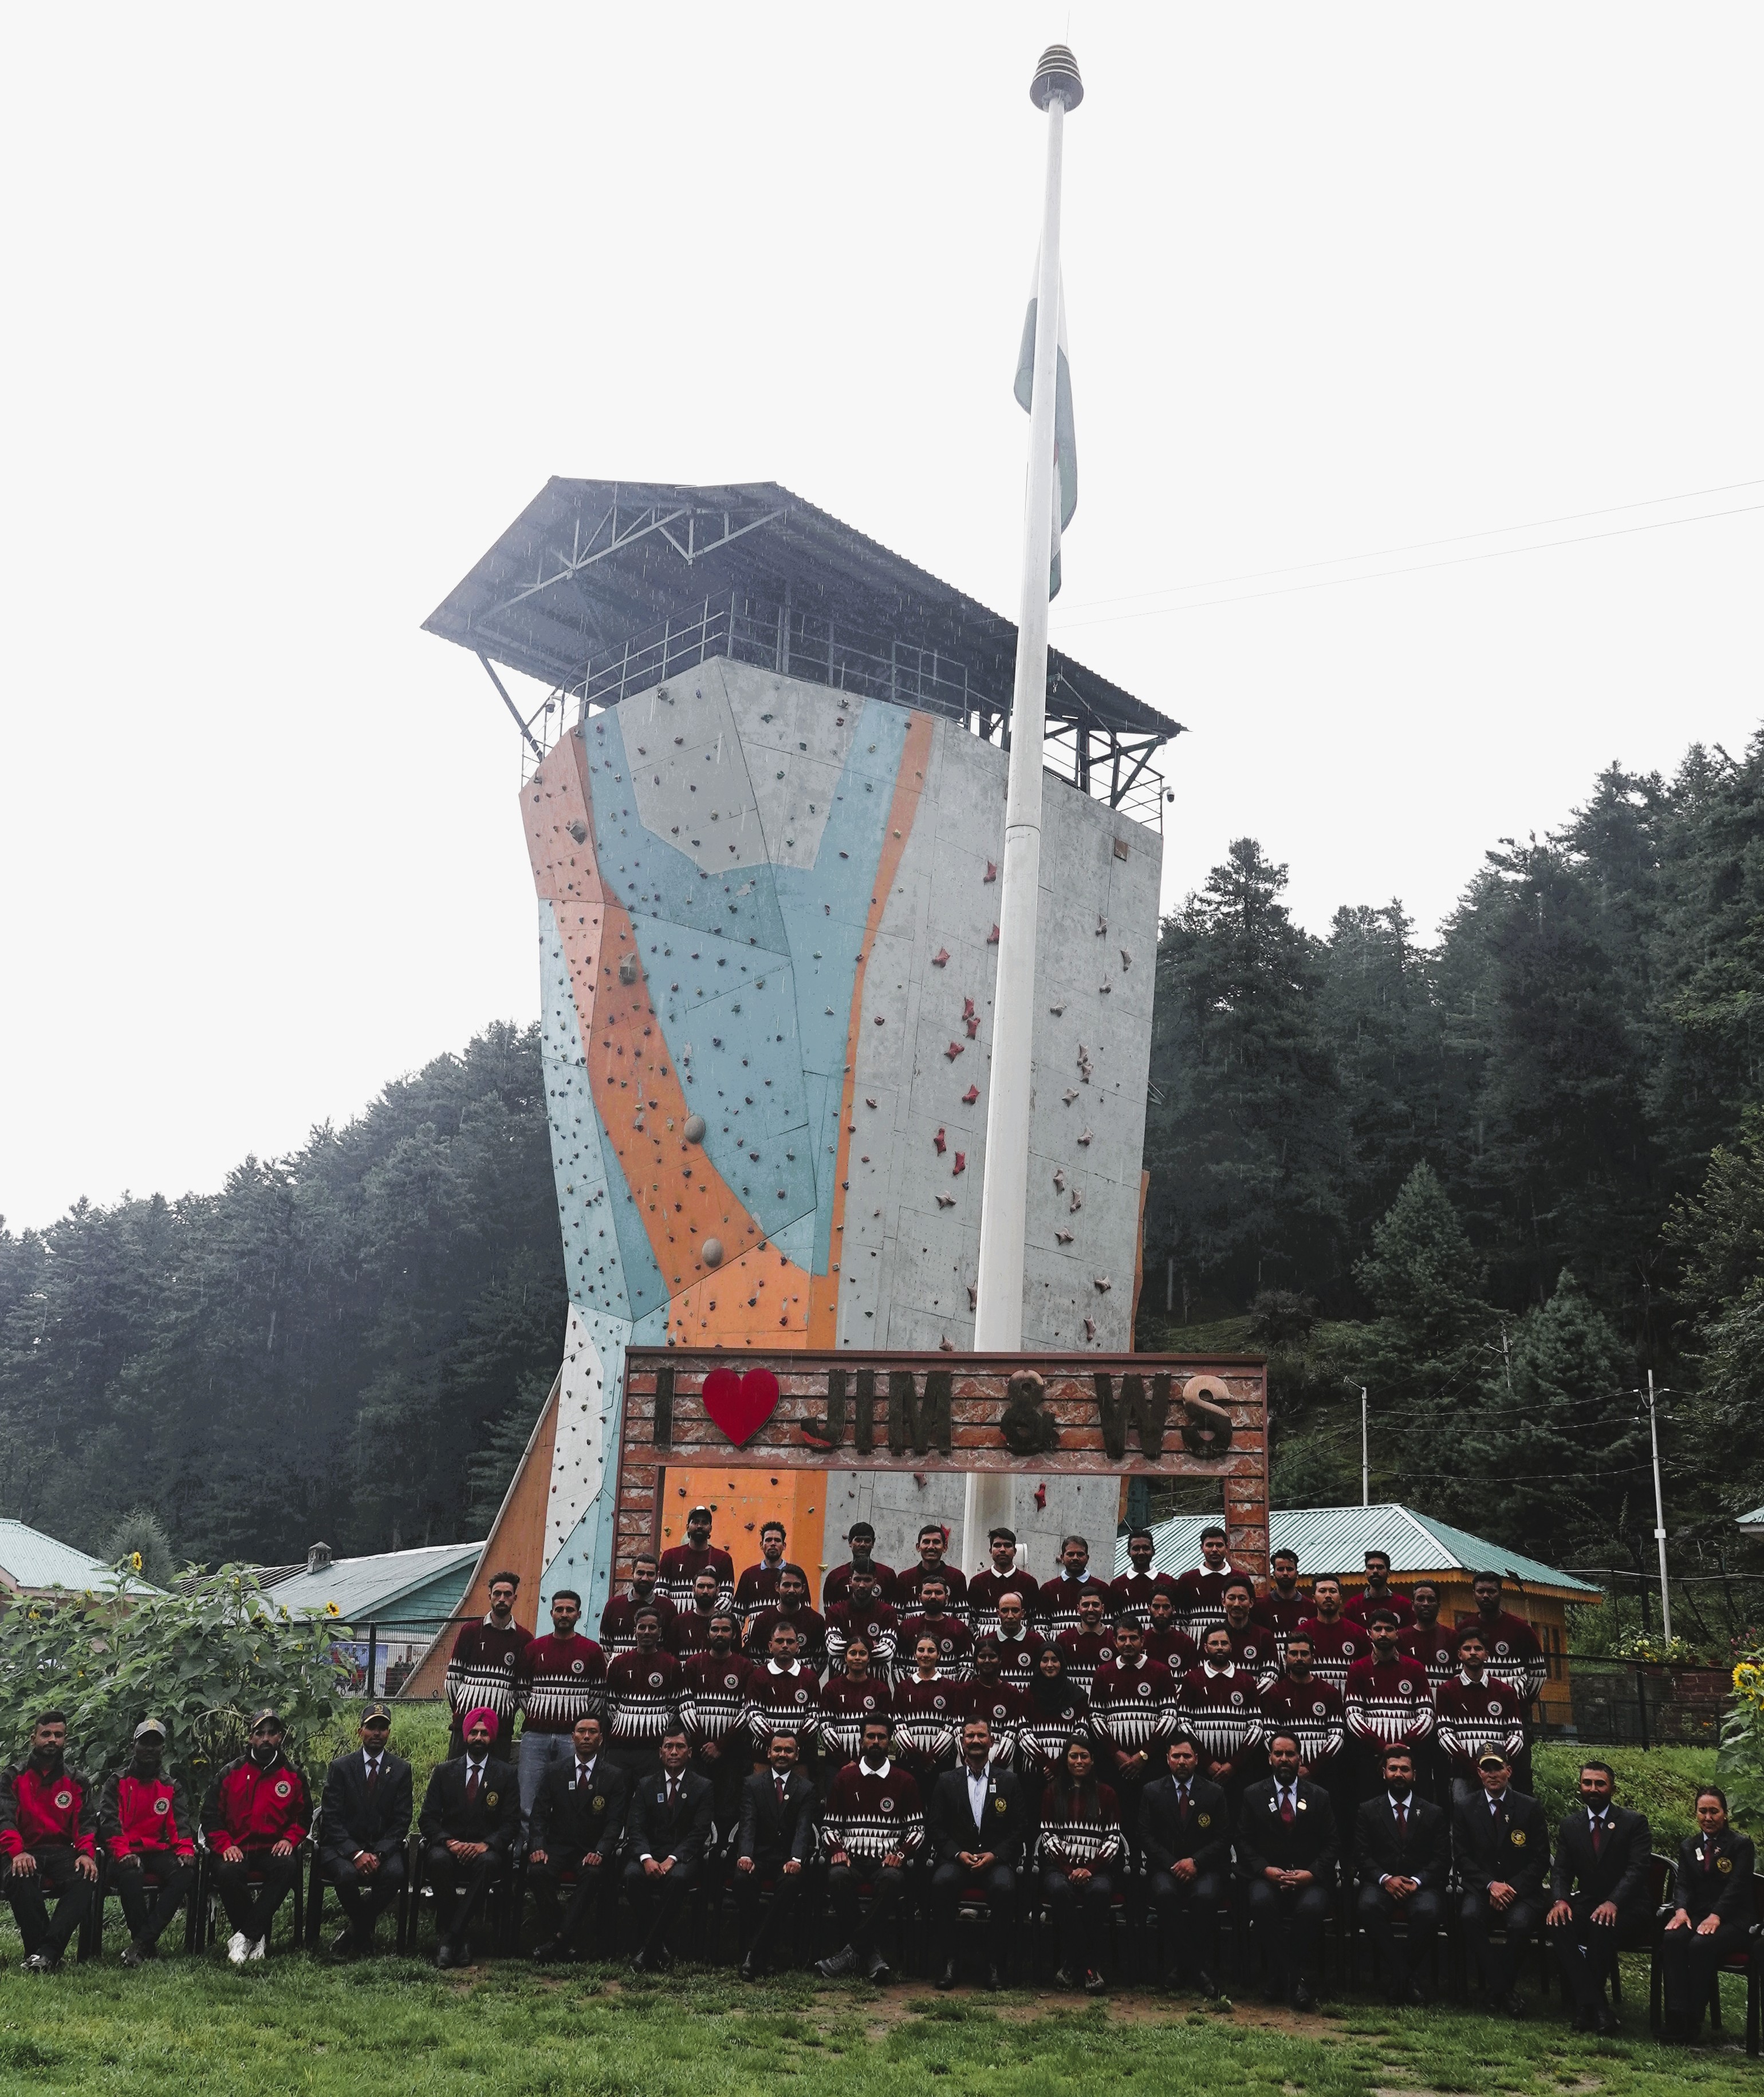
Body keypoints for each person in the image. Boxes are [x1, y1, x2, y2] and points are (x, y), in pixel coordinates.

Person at [1546, 1760, 1653, 2033]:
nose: (1593, 1789)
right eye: (1587, 1783)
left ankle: (1586, 2009)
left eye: (1600, 1784)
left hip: (1629, 1905)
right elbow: (1561, 1871)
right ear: (1580, 1786)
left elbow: (1637, 1870)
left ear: (1612, 1789)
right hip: (1590, 1902)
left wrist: (1613, 1902)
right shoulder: (1571, 1825)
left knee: (1601, 1924)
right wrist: (1560, 1901)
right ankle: (1598, 2007)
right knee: (1558, 1923)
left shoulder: (1633, 1823)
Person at [817, 1717, 924, 1981]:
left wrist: (901, 1855)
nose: (876, 1742)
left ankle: (850, 1954)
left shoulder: (905, 1781)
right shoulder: (845, 1778)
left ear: (890, 1742)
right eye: (871, 1736)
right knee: (837, 1877)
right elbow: (828, 1827)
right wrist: (837, 1850)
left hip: (886, 1862)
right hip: (852, 1859)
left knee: (893, 1881)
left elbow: (918, 1830)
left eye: (882, 1737)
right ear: (861, 1740)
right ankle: (871, 1955)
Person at [1238, 1729, 1339, 2009]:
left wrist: (1312, 1874)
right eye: (1278, 1753)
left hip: (1308, 1879)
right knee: (1260, 1902)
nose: (1284, 1759)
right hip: (1268, 1878)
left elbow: (1332, 1843)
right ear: (1269, 1758)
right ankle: (1295, 1981)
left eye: (1290, 1754)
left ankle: (1278, 1978)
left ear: (1300, 1758)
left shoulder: (1319, 1796)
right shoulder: (1252, 1794)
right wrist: (1265, 1870)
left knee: (1312, 1908)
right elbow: (1243, 1841)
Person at [202, 1708, 310, 1965]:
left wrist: (289, 1839)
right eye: (260, 1733)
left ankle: (244, 1937)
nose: (266, 1739)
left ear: (280, 1737)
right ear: (251, 1738)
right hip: (236, 1847)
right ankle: (257, 1938)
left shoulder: (293, 1775)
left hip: (272, 1848)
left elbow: (303, 1817)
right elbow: (210, 1816)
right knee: (227, 1872)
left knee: (288, 1867)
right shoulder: (230, 1773)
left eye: (271, 1733)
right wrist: (225, 1845)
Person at [927, 1717, 1028, 1989]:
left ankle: (995, 1965)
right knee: (940, 1883)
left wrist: (995, 1855)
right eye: (970, 1736)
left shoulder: (1009, 1781)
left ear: (991, 1741)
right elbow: (935, 1827)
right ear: (962, 1742)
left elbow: (1020, 1828)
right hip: (958, 1860)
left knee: (1005, 1888)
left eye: (981, 1736)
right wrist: (957, 1853)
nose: (975, 1741)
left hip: (995, 1861)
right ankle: (950, 1963)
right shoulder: (946, 1781)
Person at [418, 1707, 519, 1968]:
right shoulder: (444, 1772)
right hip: (449, 1846)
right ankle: (460, 1939)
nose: (478, 1738)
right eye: (473, 1732)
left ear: (492, 1737)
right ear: (465, 1735)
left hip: (484, 1849)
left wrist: (486, 1845)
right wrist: (449, 1842)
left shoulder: (506, 1774)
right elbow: (428, 1818)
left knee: (489, 1864)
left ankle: (449, 1938)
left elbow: (511, 1823)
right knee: (437, 1860)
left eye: (484, 1733)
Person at [1452, 1748, 1549, 2018]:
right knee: (1469, 1917)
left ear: (1509, 1771)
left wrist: (1511, 1888)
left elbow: (1541, 1858)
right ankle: (1505, 1990)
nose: (1492, 1774)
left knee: (1520, 1924)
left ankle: (1496, 1991)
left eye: (1498, 1768)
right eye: (1487, 1769)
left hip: (1521, 1892)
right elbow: (1462, 1857)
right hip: (1482, 1890)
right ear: (1479, 1773)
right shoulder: (1465, 1807)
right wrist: (1491, 1885)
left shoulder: (1530, 1807)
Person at [1659, 1785, 1757, 2043]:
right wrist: (1681, 1911)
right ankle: (1676, 2017)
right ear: (1696, 1813)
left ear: (1725, 1814)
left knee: (1700, 1945)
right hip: (1699, 1916)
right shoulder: (1688, 1846)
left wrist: (1717, 1916)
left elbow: (1737, 1886)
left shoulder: (1741, 1845)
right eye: (1703, 1811)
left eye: (1714, 1811)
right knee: (1673, 1938)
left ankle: (1693, 2020)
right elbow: (1683, 1884)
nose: (1708, 1817)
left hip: (1735, 1920)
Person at [1, 1712, 97, 1973]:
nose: (52, 1739)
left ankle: (46, 1953)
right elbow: (4, 1819)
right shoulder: (12, 1777)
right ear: (33, 1739)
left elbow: (86, 1823)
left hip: (60, 1852)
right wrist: (17, 1852)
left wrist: (86, 1853)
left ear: (65, 1739)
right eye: (46, 1734)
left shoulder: (77, 1780)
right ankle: (43, 1954)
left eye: (58, 1735)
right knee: (20, 1875)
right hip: (22, 1850)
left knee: (86, 1875)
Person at [527, 1713, 627, 1963]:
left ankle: (557, 1942)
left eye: (592, 1732)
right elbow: (539, 1815)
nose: (586, 1736)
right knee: (537, 1871)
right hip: (558, 1848)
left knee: (594, 1874)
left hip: (591, 1851)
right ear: (572, 1737)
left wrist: (601, 1851)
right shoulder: (554, 1772)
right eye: (581, 1731)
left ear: (601, 1739)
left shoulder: (614, 1776)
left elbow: (615, 1823)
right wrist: (538, 1846)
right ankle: (563, 1941)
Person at [1353, 1745, 1448, 2004]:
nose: (1398, 1774)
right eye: (1393, 1769)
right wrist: (1386, 1879)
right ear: (1383, 1773)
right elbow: (1361, 1855)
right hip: (1381, 1884)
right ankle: (1407, 1978)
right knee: (1367, 1907)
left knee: (1430, 1912)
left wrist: (1417, 1882)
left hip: (1420, 1886)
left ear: (1414, 1775)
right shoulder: (1367, 1810)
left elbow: (1442, 1859)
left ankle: (1399, 1980)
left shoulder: (1433, 1812)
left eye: (1404, 1769)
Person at [316, 1704, 411, 1958]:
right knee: (346, 1875)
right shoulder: (341, 1767)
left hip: (382, 1849)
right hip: (343, 1848)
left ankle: (353, 1934)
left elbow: (402, 1821)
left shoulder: (401, 1770)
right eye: (371, 1727)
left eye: (382, 1728)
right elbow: (331, 1818)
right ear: (360, 1731)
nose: (377, 1733)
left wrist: (379, 1854)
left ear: (389, 1733)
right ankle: (364, 1935)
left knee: (396, 1873)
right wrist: (356, 1854)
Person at [1137, 1732, 1229, 1995]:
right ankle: (1197, 1970)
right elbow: (1145, 1835)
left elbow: (1223, 1838)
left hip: (1204, 1869)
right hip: (1165, 1868)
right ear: (1167, 1759)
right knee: (1165, 1894)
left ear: (1197, 1759)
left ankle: (1181, 1968)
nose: (1181, 1761)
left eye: (1187, 1756)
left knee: (1205, 1897)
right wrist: (1174, 1865)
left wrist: (1196, 1862)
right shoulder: (1152, 1791)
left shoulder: (1214, 1792)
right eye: (1176, 1756)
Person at [99, 1718, 195, 1967]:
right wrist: (123, 1853)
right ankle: (145, 1946)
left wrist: (185, 1850)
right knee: (131, 1873)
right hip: (123, 1852)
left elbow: (180, 1825)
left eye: (156, 1743)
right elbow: (110, 1824)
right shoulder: (116, 1782)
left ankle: (140, 1944)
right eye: (144, 1743)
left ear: (162, 1748)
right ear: (134, 1746)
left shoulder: (170, 1786)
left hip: (156, 1850)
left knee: (185, 1872)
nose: (150, 1748)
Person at [623, 1725, 714, 1972]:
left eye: (680, 1747)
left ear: (690, 1753)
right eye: (669, 1747)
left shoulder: (703, 1787)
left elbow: (699, 1832)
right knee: (631, 1875)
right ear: (660, 1752)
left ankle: (647, 1951)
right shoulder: (645, 1785)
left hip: (683, 1857)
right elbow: (635, 1827)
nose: (674, 1752)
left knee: (678, 1879)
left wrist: (673, 1859)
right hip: (650, 1854)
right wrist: (646, 1858)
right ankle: (660, 1948)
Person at [515, 1587, 607, 1824]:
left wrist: (580, 1725)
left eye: (570, 1610)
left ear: (579, 1614)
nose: (564, 1614)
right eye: (559, 1610)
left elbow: (598, 1694)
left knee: (571, 1798)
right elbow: (522, 1689)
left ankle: (564, 1845)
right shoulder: (534, 1649)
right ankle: (526, 1846)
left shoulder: (592, 1651)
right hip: (535, 1736)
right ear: (552, 1613)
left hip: (572, 1738)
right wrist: (538, 1713)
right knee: (528, 1799)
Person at [1038, 1737, 1121, 1994]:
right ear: (1066, 1760)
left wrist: (1090, 1870)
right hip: (1059, 1869)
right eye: (1073, 1756)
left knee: (1100, 1891)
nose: (1079, 1761)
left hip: (1097, 1870)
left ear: (1093, 1760)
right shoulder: (1052, 1792)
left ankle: (1071, 1965)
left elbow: (1113, 1839)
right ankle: (1089, 1966)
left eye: (1084, 1756)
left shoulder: (1107, 1794)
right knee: (1059, 1890)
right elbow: (1048, 1836)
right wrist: (1069, 1870)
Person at [733, 1732, 817, 1980]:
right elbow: (747, 1823)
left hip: (786, 1860)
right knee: (741, 1879)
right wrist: (745, 1855)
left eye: (788, 1751)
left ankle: (753, 1954)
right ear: (768, 1753)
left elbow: (803, 1828)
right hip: (758, 1857)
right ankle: (765, 1954)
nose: (782, 1755)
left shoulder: (807, 1789)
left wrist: (797, 1859)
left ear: (797, 1756)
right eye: (778, 1750)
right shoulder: (752, 1784)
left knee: (791, 1884)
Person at [1089, 1617, 1176, 1847]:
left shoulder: (1161, 1672)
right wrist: (1116, 1753)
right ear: (1114, 1642)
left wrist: (1143, 1755)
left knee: (1151, 1820)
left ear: (1143, 1640)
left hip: (1151, 1764)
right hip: (1114, 1765)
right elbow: (1096, 1717)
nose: (1128, 1643)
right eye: (1122, 1638)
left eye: (1133, 1638)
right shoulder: (1103, 1673)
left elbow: (1169, 1717)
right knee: (1118, 1817)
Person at [679, 1610, 755, 1836]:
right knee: (696, 1806)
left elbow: (748, 1709)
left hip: (731, 1754)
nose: (720, 1634)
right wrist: (704, 1745)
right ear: (708, 1633)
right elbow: (685, 1704)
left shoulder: (745, 1667)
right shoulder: (693, 1664)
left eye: (725, 1630)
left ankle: (723, 1851)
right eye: (715, 1629)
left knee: (727, 1811)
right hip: (699, 1754)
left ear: (734, 1635)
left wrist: (721, 1745)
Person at [1344, 1609, 1435, 1798]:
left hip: (1410, 1757)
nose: (1383, 1634)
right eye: (1378, 1629)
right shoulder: (1357, 1670)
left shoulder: (1415, 1669)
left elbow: (1427, 1715)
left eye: (1389, 1629)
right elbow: (1352, 1716)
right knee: (1371, 1809)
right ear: (1369, 1633)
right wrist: (1381, 1746)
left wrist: (1402, 1746)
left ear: (1397, 1633)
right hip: (1371, 1758)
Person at [443, 1571, 533, 1759]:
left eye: (507, 1594)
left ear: (515, 1598)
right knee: (456, 1774)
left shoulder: (524, 1639)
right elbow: (452, 1680)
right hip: (465, 1727)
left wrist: (505, 1709)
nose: (502, 1599)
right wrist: (464, 1710)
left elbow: (522, 1689)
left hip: (501, 1728)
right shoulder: (470, 1631)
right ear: (490, 1596)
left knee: (496, 1777)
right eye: (497, 1593)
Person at [1435, 1631, 1526, 1806]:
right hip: (1463, 1774)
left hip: (1497, 1775)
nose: (1473, 1653)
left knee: (1501, 1817)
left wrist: (1497, 1766)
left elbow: (1516, 1735)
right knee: (1463, 1820)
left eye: (1478, 1648)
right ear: (1459, 1655)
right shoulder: (1446, 1691)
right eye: (1467, 1649)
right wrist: (1472, 1767)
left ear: (1486, 1655)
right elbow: (1445, 1735)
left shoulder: (1505, 1692)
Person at [1177, 1625, 1264, 1805]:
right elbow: (1184, 1723)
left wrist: (1234, 1764)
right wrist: (1208, 1763)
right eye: (1214, 1643)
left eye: (1224, 1643)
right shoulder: (1192, 1679)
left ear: (1231, 1646)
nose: (1219, 1647)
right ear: (1205, 1647)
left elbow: (1256, 1726)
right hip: (1202, 1770)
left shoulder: (1247, 1681)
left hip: (1239, 1771)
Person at [1259, 1634, 1347, 1799]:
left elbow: (1337, 1736)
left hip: (1323, 1774)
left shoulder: (1330, 1693)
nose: (1299, 1658)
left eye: (1304, 1654)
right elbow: (1269, 1735)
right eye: (1294, 1653)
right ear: (1285, 1658)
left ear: (1313, 1658)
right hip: (1285, 1774)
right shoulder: (1274, 1693)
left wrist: (1312, 1768)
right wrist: (1291, 1765)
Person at [604, 1606, 685, 1781]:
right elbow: (611, 1704)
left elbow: (674, 1706)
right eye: (642, 1627)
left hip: (654, 1749)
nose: (647, 1632)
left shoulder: (672, 1665)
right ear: (635, 1631)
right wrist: (627, 1724)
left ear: (660, 1632)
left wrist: (657, 1726)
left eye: (652, 1627)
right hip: (620, 1747)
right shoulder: (619, 1663)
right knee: (617, 1795)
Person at [742, 1620, 823, 1776]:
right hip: (763, 1757)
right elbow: (753, 1715)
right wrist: (775, 1744)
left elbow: (814, 1717)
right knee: (761, 1792)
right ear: (770, 1646)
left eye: (790, 1642)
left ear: (797, 1647)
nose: (785, 1645)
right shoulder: (758, 1677)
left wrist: (793, 1745)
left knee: (799, 1792)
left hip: (800, 1758)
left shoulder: (810, 1678)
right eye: (780, 1641)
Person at [1463, 1571, 1547, 1707]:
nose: (1486, 1596)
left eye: (1491, 1591)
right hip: (1474, 1710)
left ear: (1501, 1593)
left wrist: (1521, 1702)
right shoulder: (1463, 1629)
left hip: (1514, 1711)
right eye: (1481, 1591)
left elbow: (1539, 1674)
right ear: (1474, 1594)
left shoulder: (1521, 1629)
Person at [894, 1635, 970, 1780]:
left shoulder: (951, 1688)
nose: (925, 1655)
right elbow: (898, 1724)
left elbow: (953, 1724)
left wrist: (932, 1757)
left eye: (931, 1650)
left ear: (939, 1654)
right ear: (914, 1654)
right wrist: (917, 1756)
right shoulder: (903, 1688)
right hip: (909, 1763)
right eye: (921, 1650)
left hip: (942, 1764)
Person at [820, 1634, 895, 1771]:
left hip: (872, 1764)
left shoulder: (881, 1690)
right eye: (853, 1653)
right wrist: (844, 1761)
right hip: (837, 1765)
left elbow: (885, 1729)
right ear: (845, 1657)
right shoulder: (831, 1688)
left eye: (863, 1654)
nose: (858, 1658)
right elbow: (826, 1727)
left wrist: (861, 1762)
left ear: (869, 1658)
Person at [1021, 1646, 1093, 1787]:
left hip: (1068, 1771)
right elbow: (1023, 1732)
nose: (1050, 1665)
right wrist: (1046, 1763)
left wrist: (1059, 1763)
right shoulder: (1028, 1695)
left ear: (1062, 1663)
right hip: (1034, 1770)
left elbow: (1082, 1731)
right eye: (1045, 1660)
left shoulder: (1077, 1695)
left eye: (1055, 1660)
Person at [1295, 1575, 1369, 1697]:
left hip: (1349, 1705)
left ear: (1341, 1599)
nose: (1328, 1596)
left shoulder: (1358, 1634)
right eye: (1322, 1591)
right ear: (1313, 1599)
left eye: (1333, 1591)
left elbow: (1367, 1674)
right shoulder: (1301, 1634)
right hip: (1310, 1703)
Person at [1173, 1526, 1250, 1641]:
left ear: (1227, 1547)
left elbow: (1248, 1616)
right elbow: (1179, 1620)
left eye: (1219, 1545)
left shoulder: (1241, 1578)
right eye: (1209, 1545)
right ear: (1202, 1548)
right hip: (1196, 1647)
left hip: (1233, 1645)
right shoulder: (1187, 1580)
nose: (1214, 1550)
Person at [743, 1564, 828, 1668]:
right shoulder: (763, 1620)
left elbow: (821, 1659)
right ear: (777, 1587)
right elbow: (755, 1658)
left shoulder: (816, 1621)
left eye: (796, 1585)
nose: (791, 1590)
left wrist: (805, 1677)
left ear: (803, 1589)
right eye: (786, 1585)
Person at [967, 1635, 1034, 1767]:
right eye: (982, 1657)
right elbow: (959, 1729)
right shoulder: (964, 1691)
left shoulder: (1012, 1693)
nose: (987, 1661)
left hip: (1001, 1759)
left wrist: (996, 1768)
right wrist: (970, 1761)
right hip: (969, 1758)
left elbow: (1011, 1732)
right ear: (976, 1660)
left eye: (992, 1657)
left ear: (1000, 1660)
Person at [657, 1505, 735, 1615]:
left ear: (710, 1528)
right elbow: (661, 1593)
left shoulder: (723, 1559)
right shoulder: (670, 1556)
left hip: (710, 1623)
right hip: (676, 1622)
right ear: (687, 1527)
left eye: (704, 1523)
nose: (699, 1526)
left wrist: (707, 1618)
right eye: (695, 1522)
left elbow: (727, 1597)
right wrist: (676, 1620)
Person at [600, 1553, 681, 1657]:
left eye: (650, 1574)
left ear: (657, 1576)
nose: (645, 1578)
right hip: (620, 1667)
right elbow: (605, 1648)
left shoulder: (667, 1608)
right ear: (632, 1573)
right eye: (640, 1573)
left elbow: (672, 1648)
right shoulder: (613, 1605)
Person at [897, 1574, 974, 1684]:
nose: (933, 1597)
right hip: (913, 1692)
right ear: (920, 1598)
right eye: (928, 1592)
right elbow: (898, 1666)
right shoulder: (907, 1627)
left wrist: (955, 1691)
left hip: (949, 1693)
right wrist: (907, 1690)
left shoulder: (959, 1628)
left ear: (947, 1598)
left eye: (938, 1593)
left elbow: (967, 1666)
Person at [825, 1563, 901, 1673]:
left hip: (876, 1680)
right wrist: (871, 1644)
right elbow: (833, 1647)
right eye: (857, 1580)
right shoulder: (835, 1611)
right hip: (841, 1679)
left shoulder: (887, 1612)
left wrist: (849, 1647)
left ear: (875, 1583)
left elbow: (887, 1651)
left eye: (867, 1580)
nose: (862, 1585)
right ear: (850, 1581)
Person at [968, 1526, 1040, 1635]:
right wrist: (981, 1641)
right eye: (997, 1545)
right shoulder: (977, 1582)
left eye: (1007, 1545)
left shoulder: (1029, 1583)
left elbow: (1033, 1622)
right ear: (991, 1551)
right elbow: (971, 1621)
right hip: (985, 1644)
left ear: (1015, 1551)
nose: (1002, 1550)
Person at [1039, 1534, 1113, 1638]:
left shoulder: (1102, 1589)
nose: (1075, 1558)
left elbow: (1109, 1627)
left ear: (1087, 1558)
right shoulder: (1048, 1589)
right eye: (1070, 1554)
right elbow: (1041, 1628)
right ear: (1062, 1558)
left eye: (1080, 1554)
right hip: (1058, 1647)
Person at [896, 1522, 970, 1623]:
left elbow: (963, 1619)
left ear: (945, 1547)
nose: (931, 1546)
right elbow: (897, 1618)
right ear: (918, 1547)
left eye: (936, 1542)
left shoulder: (957, 1577)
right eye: (926, 1542)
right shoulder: (905, 1578)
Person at [1110, 1528, 1180, 1629]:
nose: (1141, 1553)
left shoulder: (1168, 1582)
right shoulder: (1118, 1584)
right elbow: (1114, 1622)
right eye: (1136, 1549)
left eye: (1146, 1548)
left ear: (1153, 1551)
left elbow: (1176, 1620)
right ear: (1129, 1552)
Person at [1054, 1588, 1118, 1696]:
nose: (1091, 1609)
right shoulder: (1064, 1639)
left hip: (1104, 1702)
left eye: (1095, 1605)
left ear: (1103, 1608)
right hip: (1073, 1702)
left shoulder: (1115, 1639)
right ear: (1078, 1609)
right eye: (1086, 1605)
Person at [822, 1521, 897, 1610]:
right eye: (858, 1540)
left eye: (867, 1541)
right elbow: (830, 1614)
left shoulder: (888, 1575)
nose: (863, 1545)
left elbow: (893, 1612)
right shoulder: (835, 1577)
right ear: (850, 1542)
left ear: (873, 1543)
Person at [1398, 1582, 1459, 1690]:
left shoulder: (1453, 1637)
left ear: (1439, 1606)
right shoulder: (1401, 1638)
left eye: (1431, 1599)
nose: (1426, 1604)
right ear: (1413, 1606)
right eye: (1420, 1599)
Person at [1220, 1577, 1281, 1685]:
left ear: (1251, 1603)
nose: (1236, 1604)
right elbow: (1204, 1675)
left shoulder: (1265, 1637)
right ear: (1224, 1602)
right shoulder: (1212, 1636)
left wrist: (1250, 1695)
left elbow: (1271, 1676)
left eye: (1242, 1598)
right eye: (1232, 1598)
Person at [734, 1521, 790, 1621]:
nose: (773, 1544)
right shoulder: (749, 1575)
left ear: (784, 1546)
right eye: (768, 1540)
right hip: (755, 1632)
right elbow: (737, 1617)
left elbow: (805, 1614)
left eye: (777, 1540)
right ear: (761, 1545)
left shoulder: (794, 1576)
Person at [1345, 1550, 1415, 1629]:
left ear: (1389, 1573)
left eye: (1380, 1567)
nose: (1375, 1571)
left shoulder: (1404, 1605)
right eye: (1371, 1567)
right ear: (1365, 1573)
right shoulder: (1353, 1606)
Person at [992, 1590, 1048, 1684]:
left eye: (1015, 1610)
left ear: (1022, 1613)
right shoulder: (988, 1643)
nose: (1010, 1616)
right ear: (998, 1614)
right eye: (1005, 1611)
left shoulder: (1037, 1642)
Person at [1253, 1550, 1309, 1640]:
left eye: (1290, 1569)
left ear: (1297, 1574)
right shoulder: (1261, 1608)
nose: (1285, 1573)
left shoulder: (1310, 1608)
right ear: (1274, 1574)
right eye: (1280, 1569)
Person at [1142, 1588, 1200, 1675]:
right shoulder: (1141, 1641)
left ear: (1173, 1610)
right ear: (1149, 1609)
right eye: (1156, 1607)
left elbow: (1192, 1679)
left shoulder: (1186, 1643)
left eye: (1166, 1607)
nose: (1161, 1612)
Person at [675, 1570, 730, 1657]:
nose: (705, 1591)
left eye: (710, 1587)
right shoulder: (679, 1623)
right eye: (701, 1586)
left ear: (718, 1590)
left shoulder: (729, 1624)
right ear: (693, 1589)